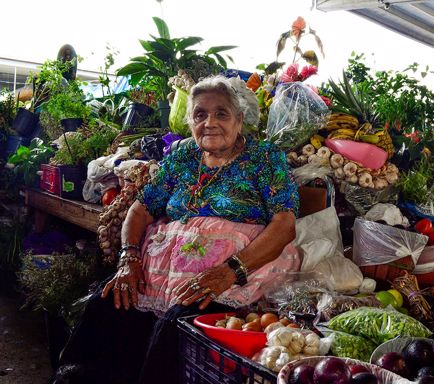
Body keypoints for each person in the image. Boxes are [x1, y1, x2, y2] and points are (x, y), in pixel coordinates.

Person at [53, 75, 300, 384]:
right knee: (107, 303)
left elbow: (284, 224)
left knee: (176, 325)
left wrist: (229, 271)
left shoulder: (264, 157)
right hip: (160, 272)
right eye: (200, 114)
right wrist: (128, 259)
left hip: (230, 278)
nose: (209, 122)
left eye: (221, 113)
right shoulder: (183, 156)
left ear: (240, 120)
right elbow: (140, 209)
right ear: (190, 121)